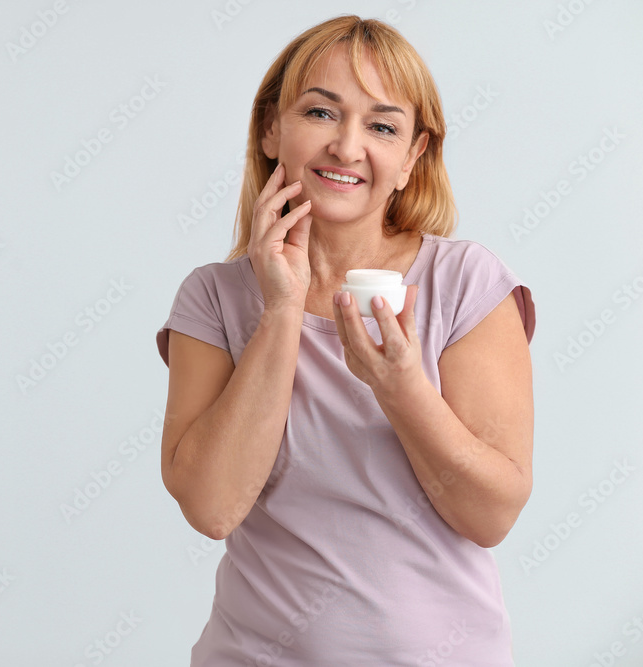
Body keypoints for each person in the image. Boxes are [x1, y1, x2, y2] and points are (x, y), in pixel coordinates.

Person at [154, 14, 536, 666]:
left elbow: (491, 515)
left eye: (382, 126)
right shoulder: (213, 298)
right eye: (322, 113)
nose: (347, 146)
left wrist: (400, 384)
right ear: (273, 128)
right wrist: (280, 308)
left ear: (413, 156)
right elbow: (213, 507)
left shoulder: (465, 282)